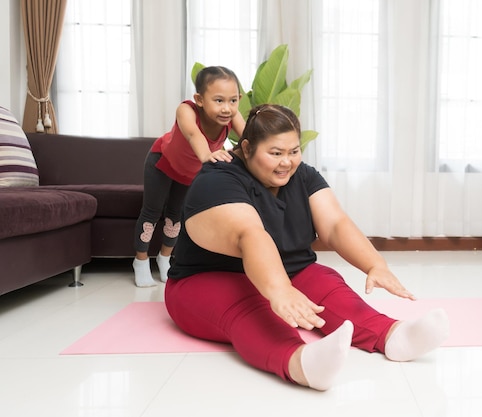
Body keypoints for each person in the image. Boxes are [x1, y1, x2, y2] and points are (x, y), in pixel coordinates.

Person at [164, 104, 450, 391]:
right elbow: (250, 235)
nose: (286, 162)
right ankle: (300, 361)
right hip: (205, 280)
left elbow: (335, 224)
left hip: (284, 271)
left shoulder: (302, 176)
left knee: (326, 283)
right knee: (251, 306)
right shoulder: (217, 178)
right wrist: (280, 290)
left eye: (294, 151)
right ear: (247, 148)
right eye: (275, 153)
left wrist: (375, 265)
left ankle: (393, 335)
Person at [132, 66, 246, 287]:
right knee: (152, 212)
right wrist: (207, 155)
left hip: (188, 172)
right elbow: (194, 135)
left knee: (176, 216)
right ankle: (140, 261)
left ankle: (164, 258)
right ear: (200, 99)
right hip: (161, 163)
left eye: (233, 101)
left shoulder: (233, 117)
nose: (227, 108)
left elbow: (249, 139)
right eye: (219, 100)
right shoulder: (187, 110)